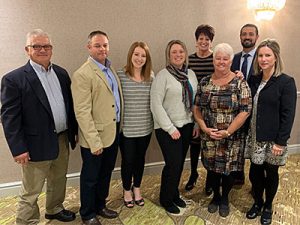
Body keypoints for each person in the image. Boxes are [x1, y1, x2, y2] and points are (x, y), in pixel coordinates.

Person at [1, 29, 77, 224]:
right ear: (27, 50)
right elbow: (9, 118)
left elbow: (69, 106)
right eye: (37, 46)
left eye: (46, 46)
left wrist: (73, 132)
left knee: (58, 179)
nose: (42, 49)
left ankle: (54, 209)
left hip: (61, 138)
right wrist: (18, 149)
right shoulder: (13, 79)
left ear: (51, 49)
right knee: (32, 190)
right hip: (34, 144)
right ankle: (27, 221)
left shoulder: (61, 73)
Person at [193, 43, 252, 217]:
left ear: (231, 61)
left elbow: (245, 110)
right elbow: (196, 107)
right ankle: (216, 196)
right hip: (209, 136)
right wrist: (203, 127)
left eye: (225, 59)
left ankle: (225, 197)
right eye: (218, 58)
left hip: (231, 137)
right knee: (212, 169)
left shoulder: (240, 83)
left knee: (228, 170)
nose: (221, 62)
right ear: (213, 60)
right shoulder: (204, 82)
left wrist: (228, 131)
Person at [71, 30, 123, 225]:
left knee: (105, 173)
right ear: (89, 47)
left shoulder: (109, 69)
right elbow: (82, 112)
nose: (102, 49)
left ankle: (100, 205)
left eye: (105, 45)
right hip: (95, 137)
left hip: (112, 132)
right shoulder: (83, 74)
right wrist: (93, 141)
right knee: (90, 178)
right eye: (98, 45)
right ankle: (87, 213)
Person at [245, 39, 297, 225]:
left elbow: (288, 115)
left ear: (275, 57)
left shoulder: (286, 82)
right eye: (260, 55)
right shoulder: (253, 79)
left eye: (267, 55)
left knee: (271, 173)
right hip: (255, 136)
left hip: (273, 139)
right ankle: (257, 202)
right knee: (254, 173)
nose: (263, 59)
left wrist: (281, 142)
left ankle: (268, 206)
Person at [150, 40, 198, 214]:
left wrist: (195, 124)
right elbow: (155, 105)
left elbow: (194, 101)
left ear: (185, 54)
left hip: (186, 126)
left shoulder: (191, 74)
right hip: (167, 128)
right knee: (172, 164)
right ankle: (165, 198)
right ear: (168, 56)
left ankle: (174, 193)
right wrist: (170, 129)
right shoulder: (162, 76)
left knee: (179, 164)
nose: (178, 55)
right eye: (174, 52)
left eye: (181, 52)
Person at [117, 42, 154, 208]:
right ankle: (126, 190)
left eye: (143, 56)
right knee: (128, 161)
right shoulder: (120, 75)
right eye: (136, 54)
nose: (139, 59)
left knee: (140, 160)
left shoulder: (151, 77)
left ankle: (136, 188)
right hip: (127, 130)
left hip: (145, 128)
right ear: (130, 55)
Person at [185, 24, 215, 195]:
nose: (204, 42)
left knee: (210, 146)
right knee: (194, 144)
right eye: (200, 39)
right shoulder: (189, 60)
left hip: (211, 110)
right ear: (196, 41)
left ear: (211, 42)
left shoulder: (215, 59)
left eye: (207, 39)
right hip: (193, 108)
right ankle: (194, 173)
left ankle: (210, 179)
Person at [231, 23, 259, 186]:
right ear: (240, 36)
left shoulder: (262, 58)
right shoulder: (233, 58)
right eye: (244, 34)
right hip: (236, 111)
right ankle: (238, 175)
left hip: (256, 110)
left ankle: (256, 183)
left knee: (255, 145)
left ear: (257, 37)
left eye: (250, 34)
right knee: (238, 143)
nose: (247, 37)